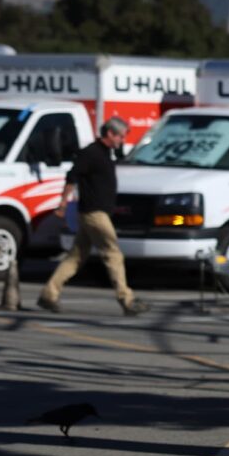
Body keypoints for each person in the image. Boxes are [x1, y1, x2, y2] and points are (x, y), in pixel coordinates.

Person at [37, 117, 149, 316]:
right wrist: (63, 203)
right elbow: (72, 176)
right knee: (113, 254)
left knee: (76, 256)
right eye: (120, 137)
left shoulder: (105, 154)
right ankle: (127, 299)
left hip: (95, 213)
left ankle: (49, 294)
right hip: (94, 214)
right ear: (110, 134)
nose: (122, 141)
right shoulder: (91, 153)